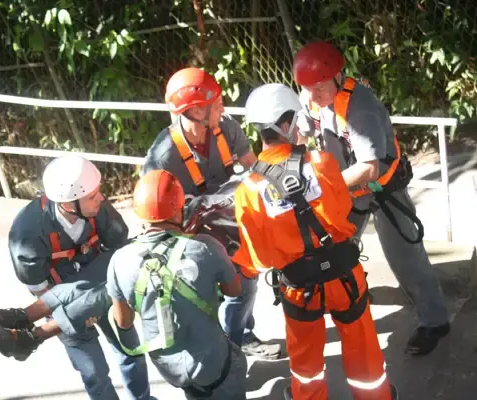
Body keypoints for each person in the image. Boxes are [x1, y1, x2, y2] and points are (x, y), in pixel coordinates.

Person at [234, 83, 397, 400]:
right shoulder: (322, 163)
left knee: (306, 366)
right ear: (286, 125)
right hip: (344, 278)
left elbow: (257, 258)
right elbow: (343, 212)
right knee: (364, 353)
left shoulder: (249, 190)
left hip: (299, 289)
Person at [292, 40, 450, 356]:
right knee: (334, 245)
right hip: (345, 190)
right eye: (306, 88)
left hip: (380, 189)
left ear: (337, 76)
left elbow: (369, 168)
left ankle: (435, 322)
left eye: (319, 87)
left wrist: (324, 188)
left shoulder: (359, 107)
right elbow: (301, 132)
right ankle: (353, 292)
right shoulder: (311, 97)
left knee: (406, 258)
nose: (313, 95)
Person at [0, 154, 154, 400]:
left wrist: (95, 303)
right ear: (68, 204)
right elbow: (37, 284)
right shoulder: (28, 230)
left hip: (102, 285)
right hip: (58, 297)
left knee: (130, 350)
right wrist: (78, 313)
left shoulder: (98, 208)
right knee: (94, 372)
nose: (101, 198)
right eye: (92, 196)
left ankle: (23, 323)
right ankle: (27, 326)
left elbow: (118, 253)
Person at [142, 66, 281, 360]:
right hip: (189, 234)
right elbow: (155, 216)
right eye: (216, 105)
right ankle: (217, 352)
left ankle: (239, 337)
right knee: (207, 294)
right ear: (194, 113)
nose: (223, 108)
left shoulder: (227, 129)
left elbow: (255, 169)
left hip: (231, 222)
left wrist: (285, 176)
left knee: (246, 283)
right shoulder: (163, 156)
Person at [106, 169, 248, 400]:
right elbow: (234, 291)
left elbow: (123, 322)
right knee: (235, 363)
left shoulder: (119, 260)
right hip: (211, 361)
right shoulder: (206, 246)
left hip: (168, 365)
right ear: (180, 210)